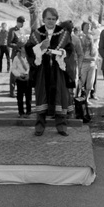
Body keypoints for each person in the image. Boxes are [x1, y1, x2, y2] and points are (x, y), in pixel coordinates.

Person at [26, 7, 74, 136]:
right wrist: (41, 47)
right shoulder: (37, 33)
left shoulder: (63, 33)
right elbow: (28, 50)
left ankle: (61, 126)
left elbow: (69, 50)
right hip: (42, 70)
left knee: (60, 96)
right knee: (42, 96)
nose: (51, 21)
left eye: (53, 19)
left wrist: (61, 53)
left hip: (58, 70)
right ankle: (40, 126)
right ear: (43, 19)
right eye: (48, 19)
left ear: (57, 20)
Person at [77, 22, 97, 99]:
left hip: (91, 64)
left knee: (90, 83)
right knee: (81, 82)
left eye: (89, 26)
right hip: (83, 63)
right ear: (83, 27)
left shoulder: (91, 37)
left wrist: (94, 58)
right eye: (86, 26)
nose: (88, 27)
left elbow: (94, 51)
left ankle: (86, 99)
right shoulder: (79, 37)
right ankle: (77, 98)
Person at [11, 45, 32, 118]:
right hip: (19, 79)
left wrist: (27, 74)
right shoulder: (16, 58)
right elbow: (13, 68)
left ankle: (28, 111)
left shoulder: (29, 57)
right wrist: (19, 75)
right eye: (23, 48)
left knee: (28, 96)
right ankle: (21, 112)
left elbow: (31, 67)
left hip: (27, 78)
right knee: (20, 96)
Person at [7, 17, 25, 97]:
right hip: (15, 54)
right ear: (18, 22)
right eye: (21, 23)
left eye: (23, 23)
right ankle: (12, 91)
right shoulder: (12, 30)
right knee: (14, 73)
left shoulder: (22, 31)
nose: (22, 24)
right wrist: (17, 46)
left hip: (22, 54)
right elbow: (9, 43)